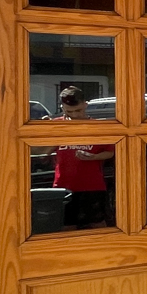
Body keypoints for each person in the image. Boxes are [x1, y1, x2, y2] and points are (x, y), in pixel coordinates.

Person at [52, 86, 115, 229]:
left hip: (91, 185)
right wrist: (41, 131)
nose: (74, 115)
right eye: (69, 111)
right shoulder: (55, 125)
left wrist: (93, 157)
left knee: (97, 224)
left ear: (85, 105)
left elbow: (110, 152)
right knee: (67, 226)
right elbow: (40, 150)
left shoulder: (97, 127)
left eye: (78, 110)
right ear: (62, 107)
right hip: (63, 184)